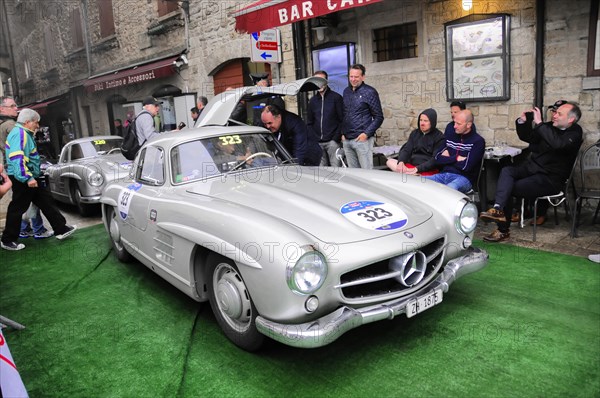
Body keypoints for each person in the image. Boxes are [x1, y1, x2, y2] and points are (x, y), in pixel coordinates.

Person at [479, 101, 583, 242]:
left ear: (571, 119)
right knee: (507, 171)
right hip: (532, 169)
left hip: (550, 179)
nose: (555, 115)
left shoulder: (575, 132)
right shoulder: (547, 126)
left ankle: (502, 230)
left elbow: (558, 144)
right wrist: (523, 122)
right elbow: (528, 137)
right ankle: (497, 209)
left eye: (559, 113)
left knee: (509, 188)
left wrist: (539, 123)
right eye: (555, 112)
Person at [1, 108, 76, 251]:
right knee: (17, 208)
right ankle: (7, 240)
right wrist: (28, 178)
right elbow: (17, 159)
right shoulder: (20, 134)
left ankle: (61, 229)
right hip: (24, 179)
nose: (38, 125)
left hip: (29, 177)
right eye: (36, 122)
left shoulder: (23, 133)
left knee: (46, 201)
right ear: (28, 122)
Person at [424, 109, 485, 193]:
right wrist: (456, 158)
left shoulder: (478, 141)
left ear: (468, 125)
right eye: (454, 123)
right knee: (418, 182)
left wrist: (447, 158)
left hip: (463, 178)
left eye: (458, 124)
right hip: (443, 175)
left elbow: (466, 166)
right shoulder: (450, 137)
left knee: (449, 189)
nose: (454, 126)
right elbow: (437, 159)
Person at [342, 64, 384, 169]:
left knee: (367, 174)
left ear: (363, 77)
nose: (353, 79)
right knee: (354, 176)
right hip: (347, 140)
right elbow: (344, 114)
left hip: (362, 140)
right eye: (351, 76)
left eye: (356, 77)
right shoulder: (346, 91)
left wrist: (366, 134)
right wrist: (342, 133)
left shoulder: (370, 92)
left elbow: (379, 117)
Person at [386, 108, 445, 175]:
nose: (422, 123)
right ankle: (411, 175)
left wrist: (417, 169)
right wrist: (401, 162)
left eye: (425, 121)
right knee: (390, 161)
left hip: (427, 169)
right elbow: (406, 150)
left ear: (432, 122)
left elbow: (435, 159)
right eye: (421, 120)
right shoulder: (415, 133)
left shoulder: (439, 137)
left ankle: (411, 175)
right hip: (411, 167)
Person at [306, 70, 344, 167]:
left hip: (333, 143)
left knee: (337, 172)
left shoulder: (336, 98)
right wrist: (314, 139)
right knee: (322, 173)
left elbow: (342, 120)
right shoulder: (313, 101)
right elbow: (309, 122)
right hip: (318, 144)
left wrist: (335, 138)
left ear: (326, 81)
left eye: (321, 80)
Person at [0, 96, 19, 165]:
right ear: (1, 109)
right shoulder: (10, 124)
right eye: (12, 106)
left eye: (15, 106)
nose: (16, 108)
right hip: (13, 165)